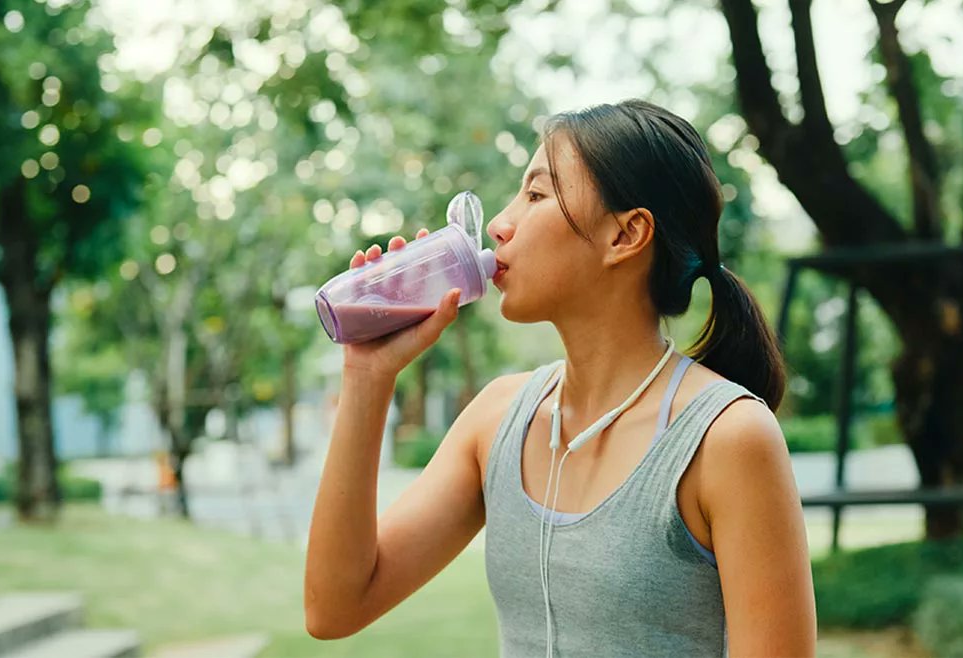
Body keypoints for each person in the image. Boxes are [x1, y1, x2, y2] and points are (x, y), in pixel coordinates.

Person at [304, 99, 816, 657]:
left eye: (536, 195)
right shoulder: (497, 419)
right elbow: (335, 607)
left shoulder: (727, 439)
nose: (499, 225)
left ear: (626, 235)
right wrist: (367, 373)